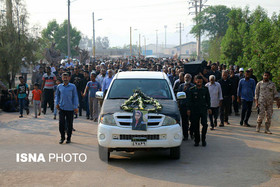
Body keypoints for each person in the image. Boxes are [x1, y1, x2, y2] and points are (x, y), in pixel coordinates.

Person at [187, 75, 211, 147]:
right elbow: (189, 101)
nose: (199, 82)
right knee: (195, 126)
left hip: (203, 110)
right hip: (194, 110)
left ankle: (203, 140)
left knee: (205, 125)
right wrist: (188, 109)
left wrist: (209, 108)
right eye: (197, 80)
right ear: (195, 81)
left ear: (202, 81)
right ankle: (197, 141)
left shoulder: (205, 89)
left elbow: (208, 99)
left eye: (200, 81)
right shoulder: (191, 90)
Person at [55, 72, 79, 144]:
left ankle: (69, 138)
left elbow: (75, 96)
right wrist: (56, 103)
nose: (65, 79)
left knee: (69, 124)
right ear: (62, 78)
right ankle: (62, 137)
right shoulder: (59, 86)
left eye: (66, 77)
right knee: (61, 123)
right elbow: (57, 96)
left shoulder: (72, 86)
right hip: (62, 107)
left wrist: (75, 106)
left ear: (69, 78)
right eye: (64, 77)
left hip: (70, 108)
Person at [178, 74, 194, 140]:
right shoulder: (181, 86)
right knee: (184, 122)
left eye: (188, 78)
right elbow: (178, 96)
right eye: (185, 78)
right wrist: (183, 91)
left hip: (191, 106)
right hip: (183, 106)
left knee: (193, 121)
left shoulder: (193, 86)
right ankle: (185, 135)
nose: (187, 79)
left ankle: (192, 133)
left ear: (190, 78)